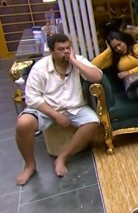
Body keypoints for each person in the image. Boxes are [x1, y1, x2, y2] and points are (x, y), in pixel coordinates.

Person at [15, 34, 103, 185]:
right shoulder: (40, 68)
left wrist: (75, 62)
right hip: (47, 109)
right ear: (51, 51)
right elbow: (31, 97)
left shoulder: (77, 60)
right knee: (23, 124)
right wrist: (55, 115)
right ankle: (30, 165)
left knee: (93, 122)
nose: (66, 52)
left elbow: (97, 77)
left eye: (68, 48)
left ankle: (63, 157)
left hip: (74, 108)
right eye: (61, 49)